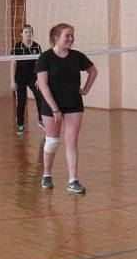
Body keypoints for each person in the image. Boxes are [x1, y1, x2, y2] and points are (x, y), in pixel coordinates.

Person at [35, 23, 97, 194]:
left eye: (72, 35)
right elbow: (42, 85)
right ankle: (47, 174)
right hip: (51, 105)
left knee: (72, 140)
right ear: (56, 37)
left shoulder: (77, 56)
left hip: (73, 104)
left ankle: (73, 180)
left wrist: (86, 89)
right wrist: (55, 109)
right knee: (53, 141)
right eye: (67, 35)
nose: (71, 38)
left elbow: (93, 71)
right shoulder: (45, 58)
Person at [10, 24, 42, 135]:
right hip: (20, 77)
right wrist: (12, 81)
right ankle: (20, 124)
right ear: (22, 34)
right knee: (22, 100)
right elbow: (13, 64)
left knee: (40, 95)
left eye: (30, 32)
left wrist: (39, 78)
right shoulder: (17, 47)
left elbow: (40, 63)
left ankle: (41, 120)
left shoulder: (36, 46)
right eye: (26, 32)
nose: (28, 34)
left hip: (33, 76)